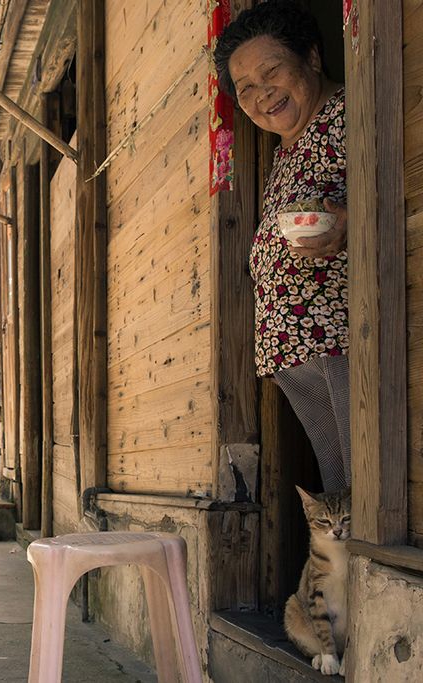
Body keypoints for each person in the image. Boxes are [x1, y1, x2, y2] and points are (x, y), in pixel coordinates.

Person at [214, 1, 350, 492]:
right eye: (245, 88)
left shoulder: (349, 113)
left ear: (312, 57)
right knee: (340, 493)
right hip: (302, 354)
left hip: (345, 344)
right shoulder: (288, 148)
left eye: (271, 71)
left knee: (363, 490)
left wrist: (353, 220)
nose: (260, 93)